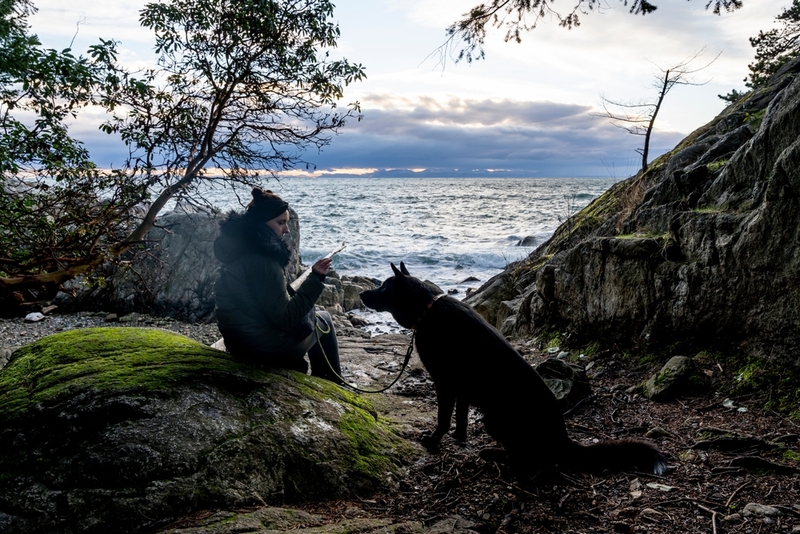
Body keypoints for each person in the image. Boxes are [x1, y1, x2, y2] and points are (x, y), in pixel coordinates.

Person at [213, 187, 342, 383]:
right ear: (261, 223)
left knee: (310, 316)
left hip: (238, 341)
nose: (287, 229)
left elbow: (258, 304)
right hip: (260, 349)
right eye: (281, 222)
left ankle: (313, 376)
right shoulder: (264, 261)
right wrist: (315, 279)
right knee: (323, 319)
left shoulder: (240, 251)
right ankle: (333, 384)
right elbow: (285, 319)